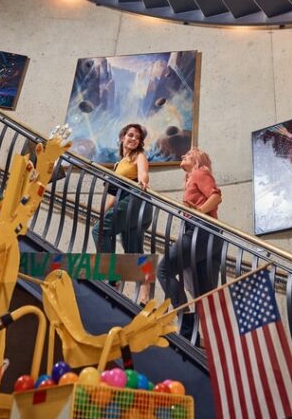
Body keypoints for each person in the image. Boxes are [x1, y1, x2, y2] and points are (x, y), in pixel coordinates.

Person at [157, 147, 223, 339]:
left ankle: (186, 320)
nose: (183, 156)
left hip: (201, 230)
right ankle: (207, 336)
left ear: (197, 160)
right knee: (204, 293)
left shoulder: (199, 173)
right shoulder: (191, 178)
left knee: (163, 269)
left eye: (188, 155)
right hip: (207, 234)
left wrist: (199, 212)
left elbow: (216, 196)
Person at [91, 123, 153, 302]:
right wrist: (101, 213)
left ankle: (113, 275)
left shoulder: (138, 156)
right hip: (126, 203)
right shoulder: (119, 164)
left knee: (99, 231)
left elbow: (143, 173)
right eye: (131, 135)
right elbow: (113, 196)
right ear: (122, 137)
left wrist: (143, 182)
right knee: (135, 253)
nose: (134, 139)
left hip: (135, 199)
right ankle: (145, 297)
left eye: (137, 137)